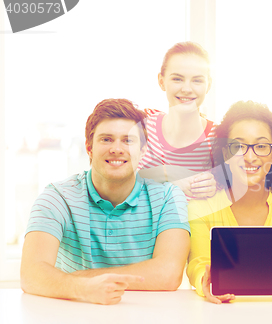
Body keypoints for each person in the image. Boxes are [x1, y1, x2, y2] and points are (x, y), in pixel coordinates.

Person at [20, 99, 191, 305]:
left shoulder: (168, 197)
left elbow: (169, 274)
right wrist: (83, 289)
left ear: (143, 151)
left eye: (128, 140)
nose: (117, 149)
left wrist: (80, 279)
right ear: (89, 148)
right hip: (73, 314)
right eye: (106, 139)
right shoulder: (57, 197)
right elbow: (32, 274)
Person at [187, 101, 272, 304]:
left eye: (261, 146)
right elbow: (198, 264)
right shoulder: (201, 208)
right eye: (238, 146)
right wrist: (205, 281)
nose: (250, 157)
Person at [137, 41, 216, 199]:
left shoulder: (218, 138)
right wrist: (167, 174)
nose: (187, 89)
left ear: (208, 85)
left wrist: (220, 186)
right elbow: (120, 181)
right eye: (177, 79)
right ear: (161, 81)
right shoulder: (142, 126)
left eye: (197, 80)